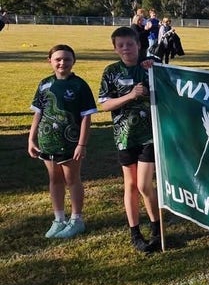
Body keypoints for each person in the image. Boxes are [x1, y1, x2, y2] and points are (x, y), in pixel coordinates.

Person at [99, 27, 161, 253]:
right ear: (115, 48)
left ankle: (157, 229)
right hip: (124, 136)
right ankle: (135, 232)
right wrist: (131, 95)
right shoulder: (111, 72)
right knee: (131, 185)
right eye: (121, 45)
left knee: (145, 185)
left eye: (130, 44)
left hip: (148, 135)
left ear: (139, 45)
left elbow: (172, 85)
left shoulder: (150, 68)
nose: (126, 48)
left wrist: (155, 67)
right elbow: (105, 104)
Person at [28, 44, 97, 238]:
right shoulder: (44, 84)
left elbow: (86, 117)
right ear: (49, 61)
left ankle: (77, 220)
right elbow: (38, 114)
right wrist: (31, 138)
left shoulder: (79, 85)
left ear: (73, 61)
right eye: (57, 59)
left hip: (71, 143)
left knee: (72, 179)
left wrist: (81, 144)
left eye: (67, 59)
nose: (62, 63)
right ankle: (59, 219)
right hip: (47, 141)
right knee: (55, 179)